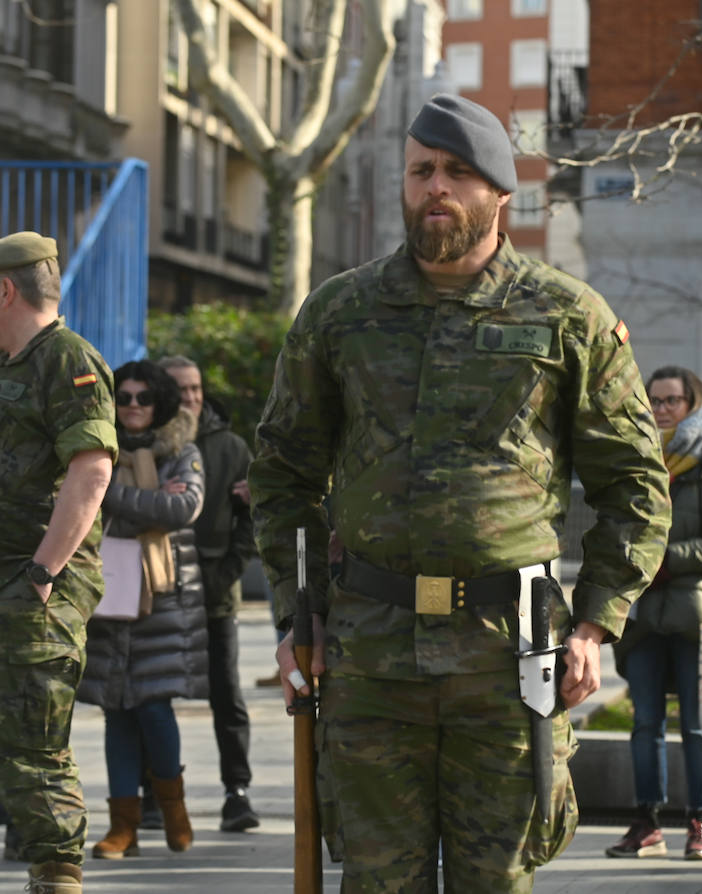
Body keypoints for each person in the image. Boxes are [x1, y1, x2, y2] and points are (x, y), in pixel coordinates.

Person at [249, 93, 671, 892]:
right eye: (420, 172)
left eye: (457, 173)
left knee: (497, 879)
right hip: (370, 652)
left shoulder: (566, 317)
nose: (435, 187)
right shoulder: (341, 314)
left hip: (509, 654)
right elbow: (283, 474)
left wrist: (594, 624)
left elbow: (635, 484)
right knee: (376, 881)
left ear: (500, 193)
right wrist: (297, 616)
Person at [0, 232, 115, 894]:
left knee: (31, 750)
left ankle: (57, 878)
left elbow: (91, 469)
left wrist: (43, 574)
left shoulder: (67, 360)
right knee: (6, 746)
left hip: (28, 591)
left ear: (4, 289)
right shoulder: (1, 366)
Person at [606, 366, 702, 861]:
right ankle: (646, 822)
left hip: (695, 616)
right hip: (641, 619)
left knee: (696, 724)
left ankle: (699, 821)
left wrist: (667, 560)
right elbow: (613, 524)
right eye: (656, 401)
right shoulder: (633, 457)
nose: (663, 409)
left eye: (672, 401)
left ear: (692, 404)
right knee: (644, 723)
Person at [77, 360, 208, 860]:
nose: (132, 406)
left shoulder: (182, 449)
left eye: (143, 398)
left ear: (160, 403)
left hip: (163, 599)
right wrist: (145, 498)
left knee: (153, 708)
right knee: (116, 714)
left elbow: (181, 509)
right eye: (124, 397)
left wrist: (107, 494)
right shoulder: (98, 447)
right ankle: (122, 828)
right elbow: (150, 506)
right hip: (108, 595)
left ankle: (174, 811)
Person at [157, 355, 261, 830]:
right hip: (158, 593)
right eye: (181, 390)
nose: (192, 398)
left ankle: (236, 792)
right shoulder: (145, 444)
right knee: (150, 696)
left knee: (227, 696)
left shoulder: (232, 447)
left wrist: (225, 575)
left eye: (196, 388)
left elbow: (251, 522)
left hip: (217, 591)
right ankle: (154, 792)